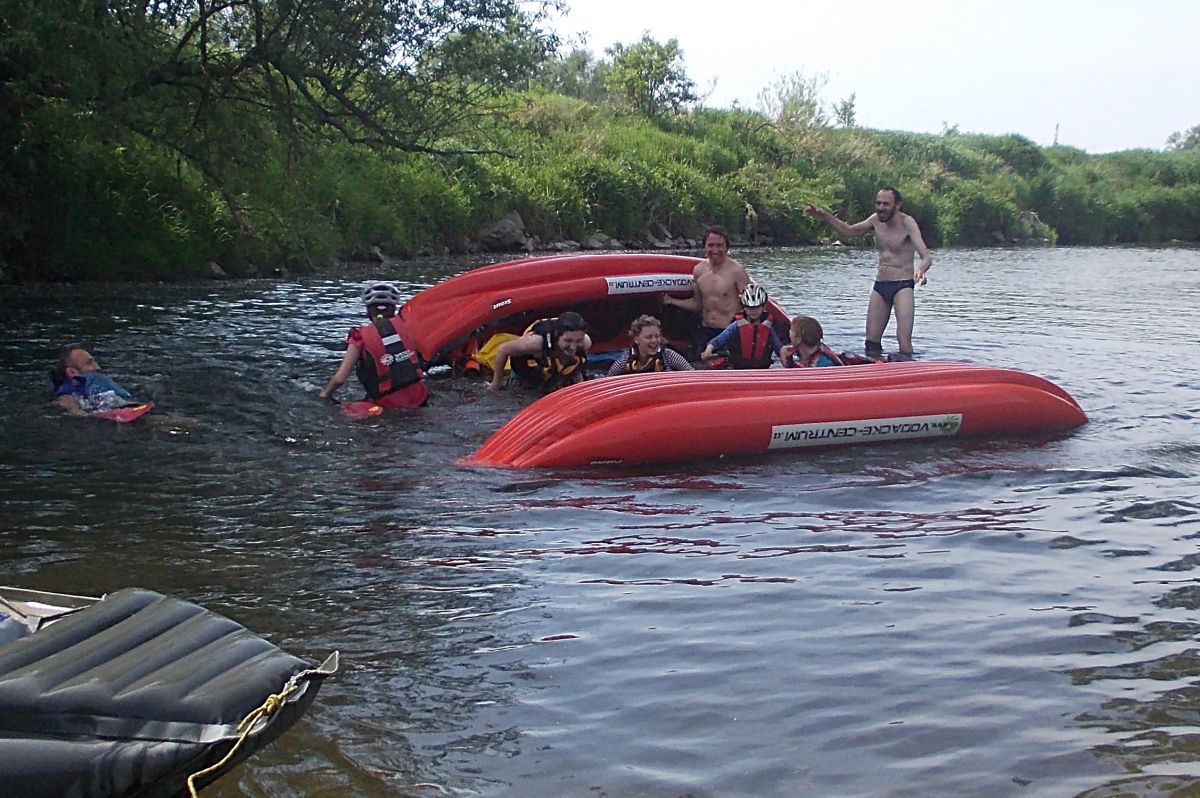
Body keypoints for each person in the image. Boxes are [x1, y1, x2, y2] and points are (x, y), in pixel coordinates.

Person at [804, 187, 932, 359]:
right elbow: (849, 231)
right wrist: (825, 216)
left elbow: (926, 257)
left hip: (903, 285)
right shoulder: (875, 220)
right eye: (878, 203)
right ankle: (873, 373)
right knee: (871, 341)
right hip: (881, 285)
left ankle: (907, 373)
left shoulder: (907, 223)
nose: (880, 208)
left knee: (903, 341)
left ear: (897, 205)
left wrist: (921, 270)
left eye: (886, 204)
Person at [318, 281, 429, 408]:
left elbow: (339, 379)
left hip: (386, 404)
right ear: (393, 308)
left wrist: (325, 394)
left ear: (369, 310)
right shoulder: (407, 328)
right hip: (420, 397)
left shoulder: (358, 337)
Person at [660, 225, 752, 358]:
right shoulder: (698, 270)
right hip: (705, 330)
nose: (715, 250)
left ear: (727, 247)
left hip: (728, 331)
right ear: (705, 247)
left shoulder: (737, 271)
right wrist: (672, 301)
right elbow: (697, 304)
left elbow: (752, 306)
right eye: (711, 245)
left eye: (720, 245)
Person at [487, 311, 592, 393]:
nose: (573, 347)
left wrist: (579, 382)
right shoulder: (535, 343)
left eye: (578, 341)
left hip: (553, 359)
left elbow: (578, 364)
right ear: (557, 336)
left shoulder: (586, 342)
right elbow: (502, 350)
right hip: (526, 362)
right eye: (568, 341)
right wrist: (496, 383)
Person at [698, 283, 786, 369]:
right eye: (750, 308)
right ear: (744, 307)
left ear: (763, 307)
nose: (753, 311)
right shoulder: (737, 325)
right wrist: (709, 348)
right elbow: (720, 339)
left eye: (757, 307)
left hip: (762, 369)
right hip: (739, 368)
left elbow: (777, 345)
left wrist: (783, 352)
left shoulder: (769, 326)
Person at [50, 346, 139, 415]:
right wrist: (77, 412)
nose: (97, 367)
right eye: (89, 363)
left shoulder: (96, 379)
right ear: (72, 372)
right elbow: (65, 399)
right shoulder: (74, 382)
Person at [606, 315, 694, 376]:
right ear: (636, 339)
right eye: (649, 337)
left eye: (657, 336)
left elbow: (692, 374)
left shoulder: (669, 356)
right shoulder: (625, 360)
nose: (654, 340)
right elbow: (607, 381)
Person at [780, 316, 847, 368]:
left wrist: (784, 360)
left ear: (798, 339)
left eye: (791, 330)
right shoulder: (805, 350)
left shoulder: (822, 363)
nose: (789, 331)